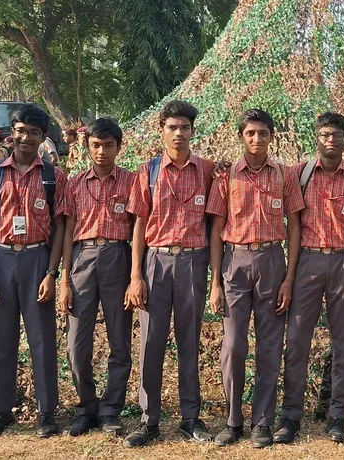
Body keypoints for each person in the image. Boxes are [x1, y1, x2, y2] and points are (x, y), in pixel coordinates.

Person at [0, 104, 70, 439]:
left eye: (34, 133)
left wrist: (51, 273)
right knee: (1, 338)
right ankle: (2, 411)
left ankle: (46, 412)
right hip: (1, 259)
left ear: (43, 138)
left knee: (41, 339)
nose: (26, 138)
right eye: (21, 130)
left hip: (37, 260)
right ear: (13, 132)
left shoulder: (53, 176)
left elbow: (59, 228)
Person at [275, 112, 344, 445]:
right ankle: (290, 417)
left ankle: (338, 418)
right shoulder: (298, 175)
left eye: (336, 135)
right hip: (307, 263)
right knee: (297, 342)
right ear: (316, 138)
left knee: (343, 344)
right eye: (324, 135)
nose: (330, 140)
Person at [205, 108, 303, 448]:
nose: (256, 139)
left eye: (262, 133)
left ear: (271, 137)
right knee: (233, 345)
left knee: (270, 346)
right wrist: (215, 281)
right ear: (241, 137)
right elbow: (217, 230)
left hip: (273, 260)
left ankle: (262, 421)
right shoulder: (226, 175)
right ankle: (233, 421)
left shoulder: (284, 175)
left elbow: (295, 227)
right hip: (235, 261)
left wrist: (289, 278)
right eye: (250, 134)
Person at [123, 101, 215, 447]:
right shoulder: (147, 171)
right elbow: (139, 225)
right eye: (172, 127)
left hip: (193, 261)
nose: (179, 133)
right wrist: (136, 276)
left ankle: (191, 418)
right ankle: (149, 420)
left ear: (193, 131)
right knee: (151, 342)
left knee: (189, 340)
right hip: (156, 262)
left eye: (185, 128)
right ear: (161, 130)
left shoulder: (206, 170)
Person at [58, 118, 136, 438]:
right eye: (95, 145)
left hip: (119, 257)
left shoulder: (132, 182)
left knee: (120, 340)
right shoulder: (74, 184)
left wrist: (135, 276)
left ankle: (111, 409)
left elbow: (140, 229)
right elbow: (66, 233)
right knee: (77, 344)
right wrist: (64, 279)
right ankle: (87, 406)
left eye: (108, 145)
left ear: (119, 147)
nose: (101, 152)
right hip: (82, 259)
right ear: (86, 146)